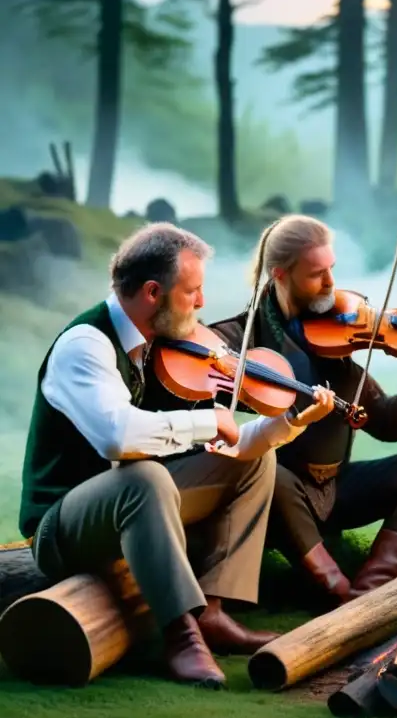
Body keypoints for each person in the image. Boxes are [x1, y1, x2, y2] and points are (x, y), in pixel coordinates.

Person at [19, 222, 335, 688]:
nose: (202, 304)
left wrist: (289, 422)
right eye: (192, 292)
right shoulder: (85, 345)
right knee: (144, 479)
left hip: (140, 506)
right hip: (63, 528)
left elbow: (233, 444)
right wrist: (208, 419)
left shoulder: (159, 347)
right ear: (152, 292)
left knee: (252, 460)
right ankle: (180, 634)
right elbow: (117, 438)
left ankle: (213, 611)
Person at [203, 214, 397, 606]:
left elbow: (387, 423)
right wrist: (243, 376)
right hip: (275, 498)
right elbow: (204, 380)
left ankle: (369, 591)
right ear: (281, 274)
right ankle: (338, 594)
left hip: (336, 488)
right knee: (269, 471)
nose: (331, 284)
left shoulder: (339, 334)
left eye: (332, 269)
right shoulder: (240, 336)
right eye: (317, 274)